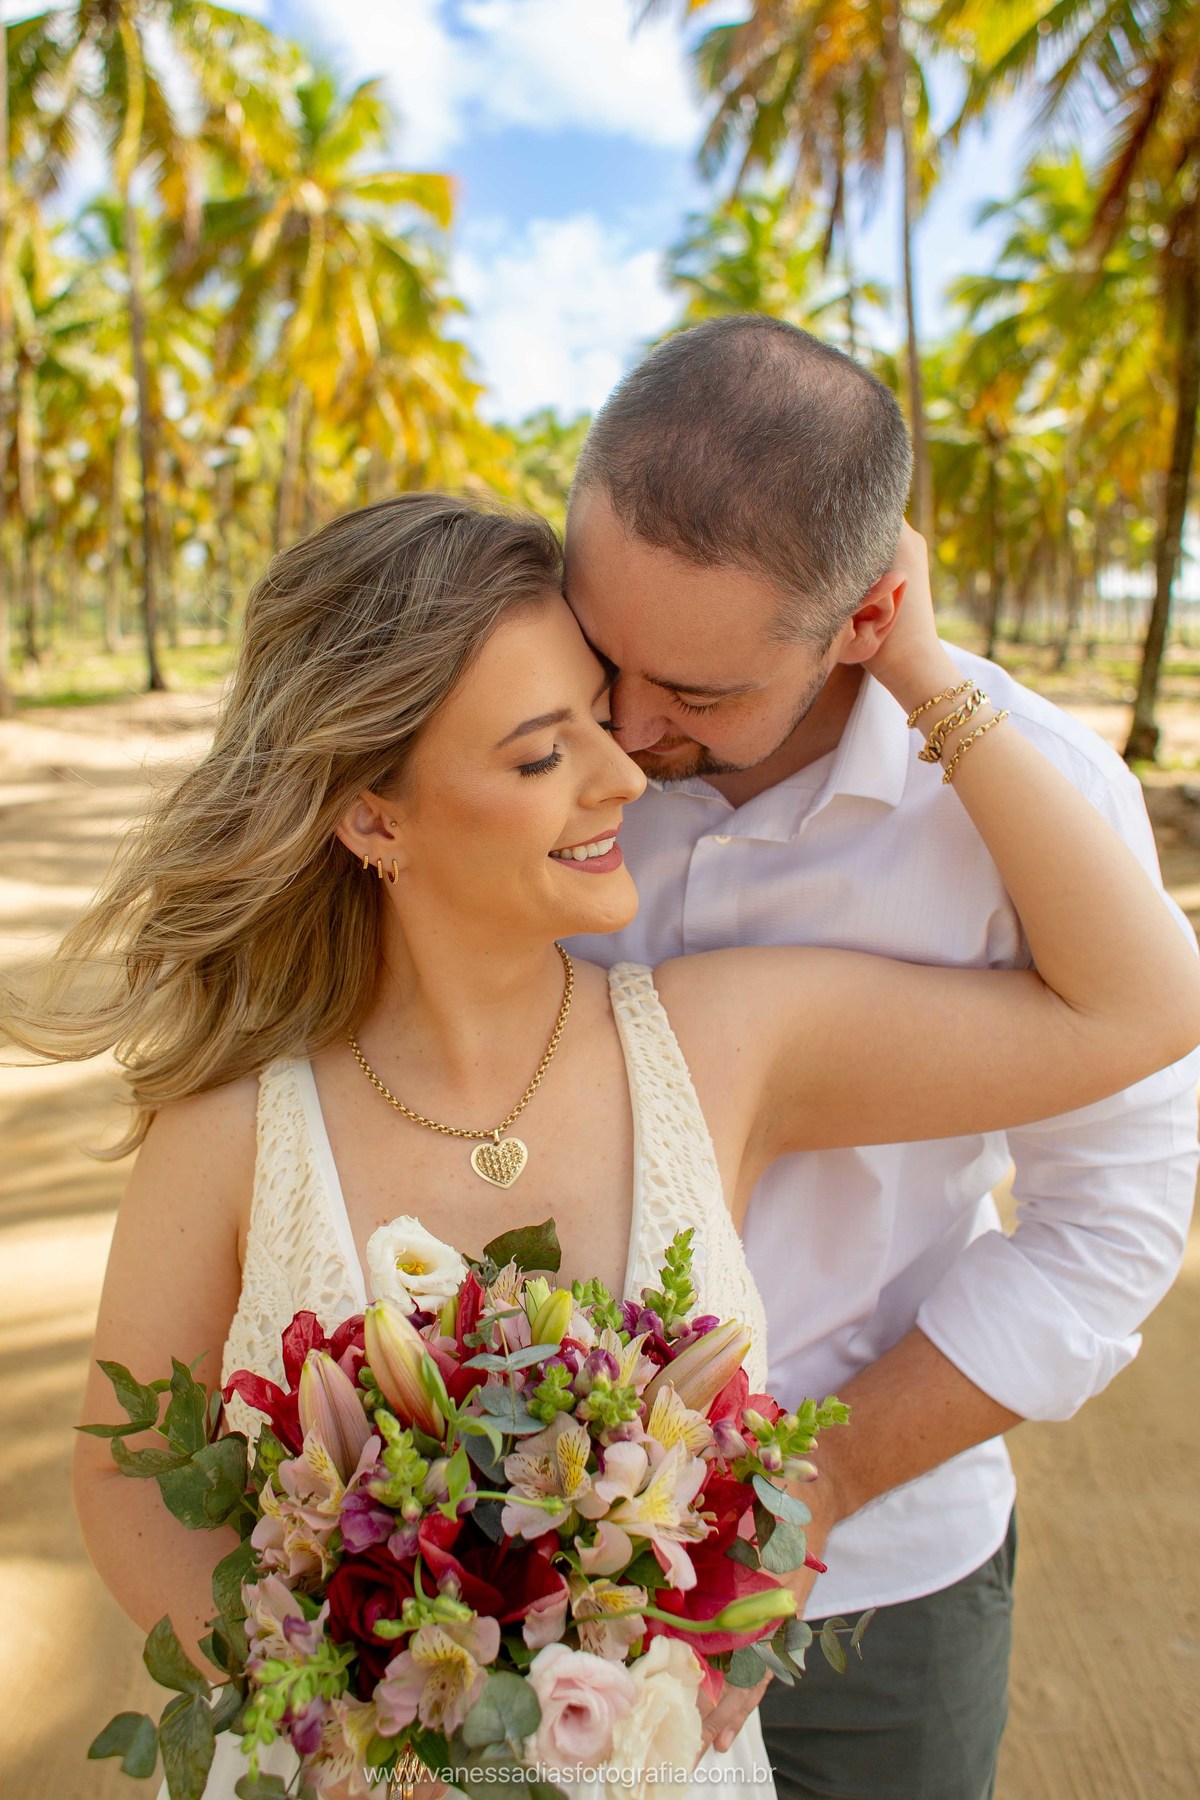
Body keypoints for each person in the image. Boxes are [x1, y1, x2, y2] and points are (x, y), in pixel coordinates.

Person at [8, 491, 1195, 1800]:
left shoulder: (722, 1040)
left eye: (600, 718)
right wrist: (337, 1719)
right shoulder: (235, 1120)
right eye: (538, 757)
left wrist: (914, 659)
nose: (625, 774)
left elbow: (1139, 1003)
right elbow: (125, 1474)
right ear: (374, 818)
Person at [560, 313, 1200, 1799]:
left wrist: (824, 1479)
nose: (632, 728)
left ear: (866, 617)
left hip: (882, 1587)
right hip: (550, 1570)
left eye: (701, 696)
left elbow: (1107, 1233)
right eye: (608, 654)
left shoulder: (1034, 804)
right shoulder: (541, 731)